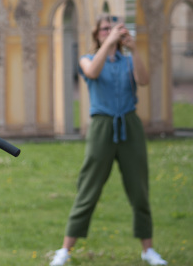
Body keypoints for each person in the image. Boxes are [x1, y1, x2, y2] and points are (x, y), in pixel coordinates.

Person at [49, 15, 166, 266]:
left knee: (139, 189)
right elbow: (92, 72)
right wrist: (109, 43)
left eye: (113, 29)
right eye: (104, 29)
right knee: (88, 188)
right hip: (102, 126)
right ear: (97, 34)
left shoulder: (127, 61)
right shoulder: (87, 58)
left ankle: (148, 250)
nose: (109, 32)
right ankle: (65, 251)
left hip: (129, 126)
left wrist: (133, 49)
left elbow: (144, 80)